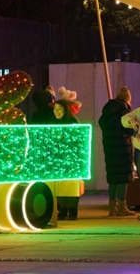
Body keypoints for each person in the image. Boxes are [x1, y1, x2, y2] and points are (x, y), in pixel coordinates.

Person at [99, 86, 135, 216]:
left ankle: (111, 208)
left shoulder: (106, 113)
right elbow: (130, 130)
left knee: (113, 178)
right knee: (122, 178)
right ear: (127, 99)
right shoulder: (124, 112)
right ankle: (121, 207)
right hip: (122, 149)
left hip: (110, 149)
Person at [54, 87, 84, 220]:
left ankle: (72, 210)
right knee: (61, 185)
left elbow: (79, 141)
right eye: (55, 109)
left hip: (72, 159)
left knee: (71, 185)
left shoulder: (73, 122)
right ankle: (63, 209)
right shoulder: (55, 123)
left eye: (59, 109)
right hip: (59, 158)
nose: (56, 112)